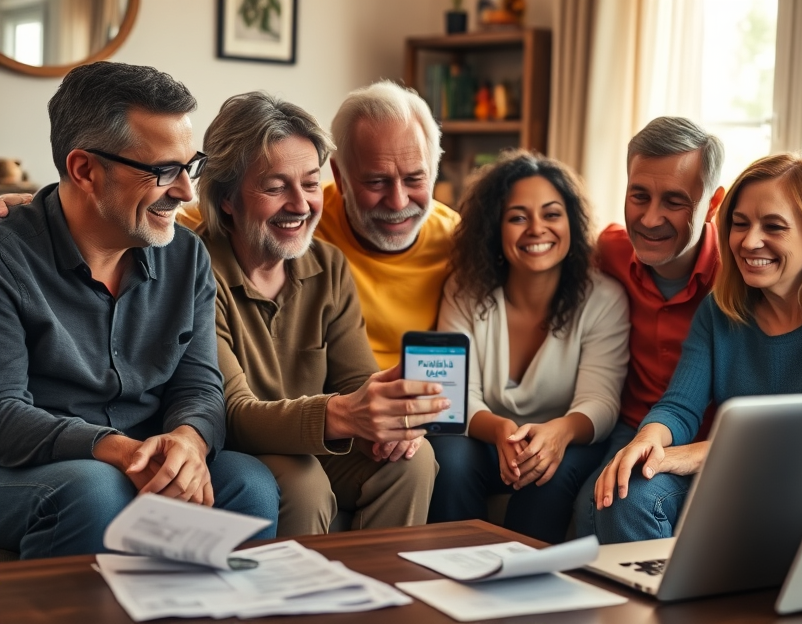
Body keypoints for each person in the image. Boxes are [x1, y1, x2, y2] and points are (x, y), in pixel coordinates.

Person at [0, 62, 279, 559]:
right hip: (30, 464)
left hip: (141, 451)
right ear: (84, 169)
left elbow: (199, 386)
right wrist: (117, 449)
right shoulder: (8, 255)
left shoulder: (187, 255)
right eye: (164, 171)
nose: (187, 192)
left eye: (191, 166)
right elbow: (4, 413)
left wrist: (189, 443)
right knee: (95, 489)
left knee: (248, 484)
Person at [593, 154, 802, 543]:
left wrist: (696, 454)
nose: (749, 241)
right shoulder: (720, 309)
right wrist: (646, 442)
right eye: (739, 224)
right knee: (627, 493)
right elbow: (679, 406)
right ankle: (651, 603)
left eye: (773, 226)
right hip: (734, 471)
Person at [195, 91, 442, 536]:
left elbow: (355, 381)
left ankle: (383, 599)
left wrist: (388, 417)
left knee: (413, 459)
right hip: (237, 444)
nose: (300, 204)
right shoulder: (194, 268)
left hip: (315, 440)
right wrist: (345, 415)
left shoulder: (328, 265)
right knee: (303, 484)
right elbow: (228, 411)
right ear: (228, 198)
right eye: (275, 187)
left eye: (310, 184)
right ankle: (302, 604)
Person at [428, 150, 630, 543]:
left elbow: (601, 401)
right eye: (518, 217)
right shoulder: (464, 291)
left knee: (548, 471)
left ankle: (526, 587)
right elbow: (455, 395)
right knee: (449, 457)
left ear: (571, 222)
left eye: (552, 214)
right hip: (485, 436)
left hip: (567, 439)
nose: (537, 229)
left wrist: (558, 433)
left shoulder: (605, 299)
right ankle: (455, 573)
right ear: (495, 228)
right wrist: (500, 429)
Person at [574, 117, 725, 537]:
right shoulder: (610, 250)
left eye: (674, 201)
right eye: (639, 195)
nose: (651, 218)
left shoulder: (738, 275)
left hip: (705, 439)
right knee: (579, 507)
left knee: (603, 509)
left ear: (712, 204)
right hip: (628, 423)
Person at [315, 80, 459, 369]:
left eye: (414, 179)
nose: (397, 202)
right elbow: (205, 215)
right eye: (377, 181)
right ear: (339, 176)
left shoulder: (459, 240)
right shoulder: (302, 221)